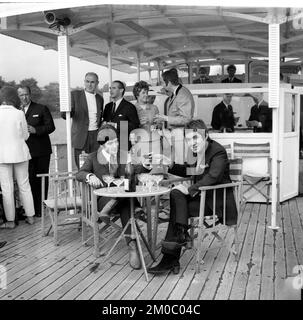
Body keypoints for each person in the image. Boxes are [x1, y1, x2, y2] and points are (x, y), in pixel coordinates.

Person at [147, 119, 238, 274]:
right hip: (200, 198)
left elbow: (213, 177)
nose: (191, 143)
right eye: (188, 139)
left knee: (178, 206)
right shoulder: (195, 153)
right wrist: (169, 164)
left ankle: (171, 257)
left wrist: (189, 190)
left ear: (206, 135)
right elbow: (189, 171)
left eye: (195, 138)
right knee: (176, 192)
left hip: (215, 201)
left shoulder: (217, 151)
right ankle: (180, 235)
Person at [76, 124, 150, 269]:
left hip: (120, 200)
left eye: (116, 141)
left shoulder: (122, 155)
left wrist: (146, 165)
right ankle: (136, 209)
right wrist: (89, 176)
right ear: (102, 145)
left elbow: (135, 169)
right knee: (126, 198)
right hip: (103, 199)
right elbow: (80, 173)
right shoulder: (92, 158)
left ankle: (132, 246)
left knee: (124, 199)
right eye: (110, 143)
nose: (115, 145)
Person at [0, 86, 35, 229]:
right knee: (24, 185)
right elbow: (26, 136)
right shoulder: (19, 113)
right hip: (20, 153)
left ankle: (10, 221)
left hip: (2, 156)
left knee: (7, 188)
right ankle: (30, 217)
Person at [17, 86, 55, 217]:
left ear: (30, 94)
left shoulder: (41, 108)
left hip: (42, 151)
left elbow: (51, 127)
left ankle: (40, 208)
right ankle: (30, 208)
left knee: (41, 179)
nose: (24, 97)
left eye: (26, 94)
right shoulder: (17, 111)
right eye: (21, 95)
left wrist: (36, 130)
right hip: (24, 152)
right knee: (28, 180)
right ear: (18, 96)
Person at [61, 72, 104, 168]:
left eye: (92, 82)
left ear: (97, 83)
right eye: (87, 81)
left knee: (96, 166)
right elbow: (64, 115)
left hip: (95, 136)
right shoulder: (75, 95)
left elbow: (100, 118)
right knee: (82, 167)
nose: (89, 84)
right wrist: (68, 110)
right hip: (80, 137)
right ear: (84, 82)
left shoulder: (99, 98)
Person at [102, 80, 140, 152]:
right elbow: (105, 121)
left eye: (114, 88)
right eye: (110, 88)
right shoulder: (107, 107)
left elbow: (135, 125)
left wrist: (116, 125)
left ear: (121, 90)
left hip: (123, 146)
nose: (111, 90)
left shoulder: (129, 107)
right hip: (108, 146)